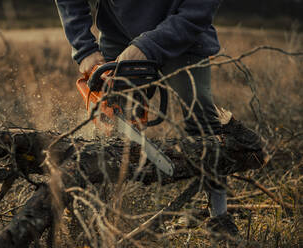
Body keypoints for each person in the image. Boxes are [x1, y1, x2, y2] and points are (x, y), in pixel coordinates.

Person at [55, 0, 239, 240]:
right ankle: (96, 213)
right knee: (109, 122)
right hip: (117, 31)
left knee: (201, 116)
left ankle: (219, 215)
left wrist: (147, 46)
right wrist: (85, 49)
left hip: (183, 32)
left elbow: (200, 8)